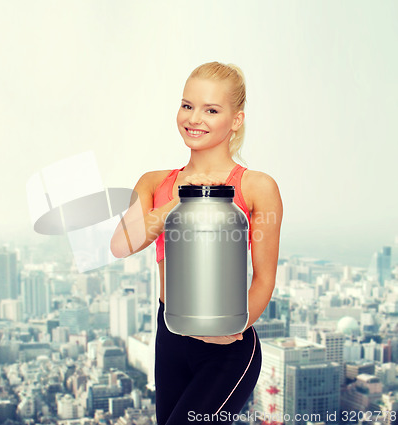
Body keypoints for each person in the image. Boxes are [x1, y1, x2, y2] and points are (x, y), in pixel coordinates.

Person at [110, 61, 283, 424]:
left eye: (211, 110)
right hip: (170, 335)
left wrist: (230, 328)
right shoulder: (154, 182)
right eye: (187, 105)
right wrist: (180, 199)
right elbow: (121, 244)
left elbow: (264, 278)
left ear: (236, 120)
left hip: (228, 348)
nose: (195, 118)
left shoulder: (256, 187)